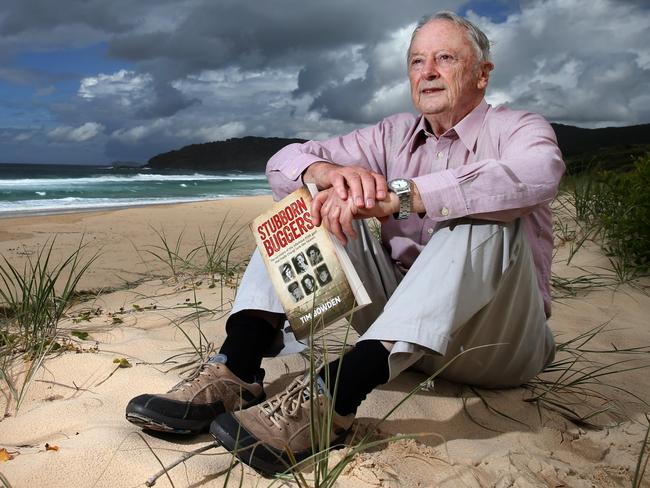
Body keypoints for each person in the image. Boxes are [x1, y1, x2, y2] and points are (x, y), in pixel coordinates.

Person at [126, 11, 564, 475]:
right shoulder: (392, 134)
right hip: (400, 337)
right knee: (310, 198)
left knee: (484, 213)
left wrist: (403, 195)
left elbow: (539, 175)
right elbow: (284, 162)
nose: (428, 71)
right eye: (417, 61)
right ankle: (238, 370)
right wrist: (329, 176)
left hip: (497, 346)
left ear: (482, 73)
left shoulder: (517, 127)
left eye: (445, 58)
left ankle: (334, 398)